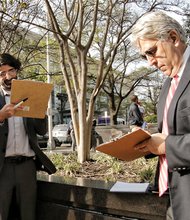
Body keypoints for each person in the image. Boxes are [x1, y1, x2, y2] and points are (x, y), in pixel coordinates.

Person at [131, 11, 190, 220]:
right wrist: (144, 141)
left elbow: (170, 142)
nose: (150, 62)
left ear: (173, 38)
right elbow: (170, 132)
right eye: (145, 56)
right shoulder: (168, 84)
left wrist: (167, 146)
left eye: (152, 51)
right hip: (173, 200)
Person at [0, 53, 56, 220]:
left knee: (28, 215)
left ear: (17, 71)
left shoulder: (29, 95)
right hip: (2, 167)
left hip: (27, 166)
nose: (8, 76)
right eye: (2, 73)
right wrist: (1, 116)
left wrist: (41, 110)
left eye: (11, 71)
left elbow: (41, 131)